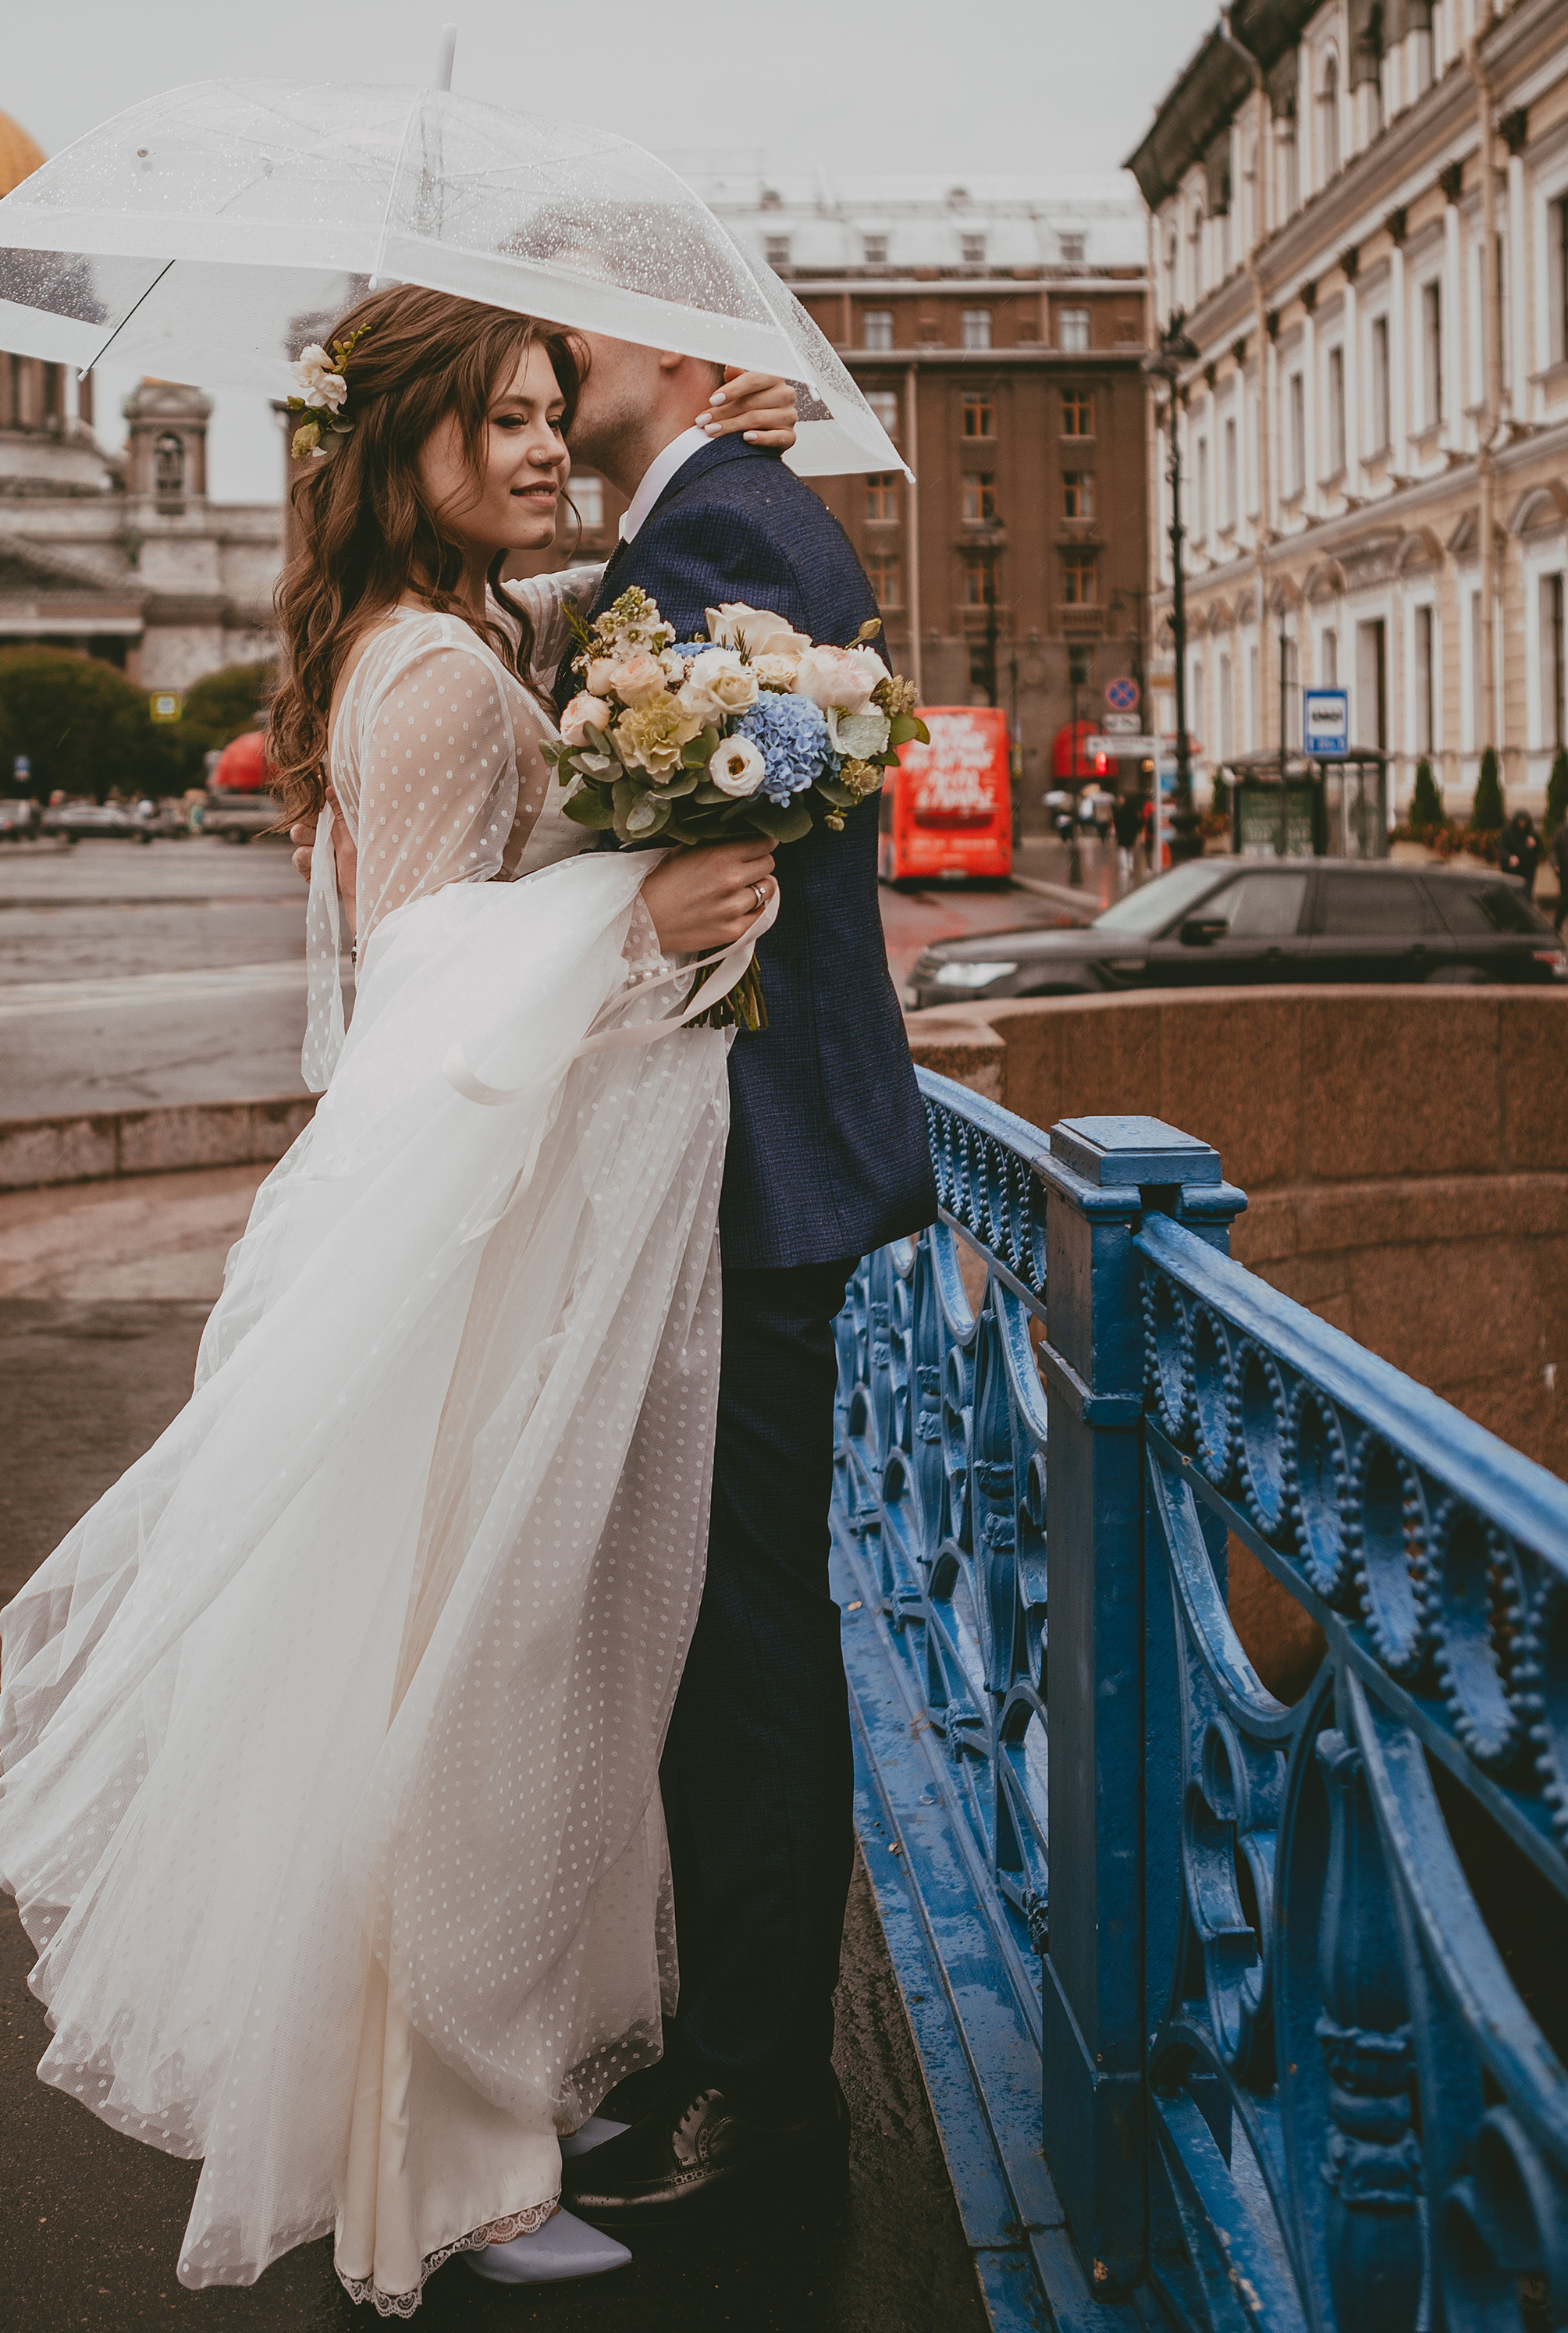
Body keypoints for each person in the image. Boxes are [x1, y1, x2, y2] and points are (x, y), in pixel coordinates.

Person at [0, 289, 800, 2313]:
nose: (546, 447)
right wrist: (649, 906)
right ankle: (446, 2177)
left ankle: (452, 2121)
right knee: (464, 1695)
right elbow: (436, 991)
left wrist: (700, 469)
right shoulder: (434, 673)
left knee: (448, 1678)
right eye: (504, 421)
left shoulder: (426, 638)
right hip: (473, 1250)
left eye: (557, 415)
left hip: (465, 1231)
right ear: (404, 447)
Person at [549, 333, 938, 2225]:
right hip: (715, 1165)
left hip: (746, 1170)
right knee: (717, 1632)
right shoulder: (685, 522)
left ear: (691, 351)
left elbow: (739, 864)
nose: (549, 361)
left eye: (580, 337)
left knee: (748, 1641)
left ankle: (769, 2086)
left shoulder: (733, 530)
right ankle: (730, 2036)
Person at [1500, 808, 1542, 896]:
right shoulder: (1507, 833)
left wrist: (1534, 845)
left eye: (1524, 822)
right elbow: (1501, 848)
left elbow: (1540, 850)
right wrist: (1509, 858)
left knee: (1526, 895)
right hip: (1511, 870)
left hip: (1527, 871)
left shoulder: (1532, 834)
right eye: (1520, 821)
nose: (1522, 824)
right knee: (1511, 895)